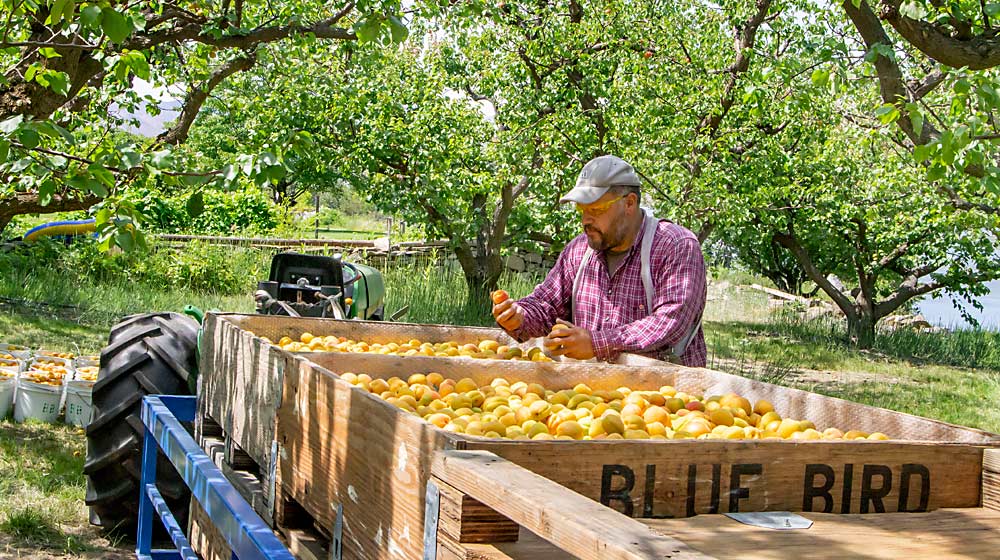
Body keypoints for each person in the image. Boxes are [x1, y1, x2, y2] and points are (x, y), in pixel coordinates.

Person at [492, 155, 707, 366]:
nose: (586, 220)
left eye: (595, 209)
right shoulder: (578, 251)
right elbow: (546, 305)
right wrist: (519, 316)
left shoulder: (676, 245)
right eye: (582, 210)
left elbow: (670, 322)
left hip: (664, 394)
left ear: (629, 203)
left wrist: (596, 343)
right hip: (597, 395)